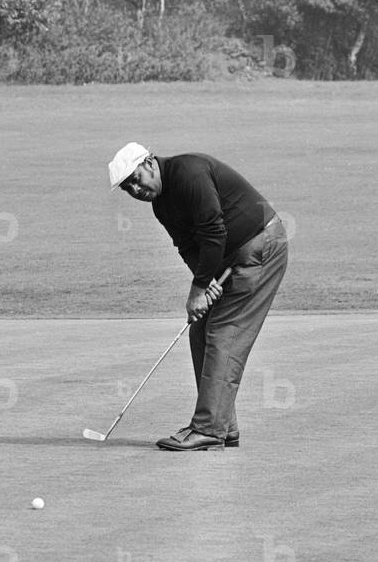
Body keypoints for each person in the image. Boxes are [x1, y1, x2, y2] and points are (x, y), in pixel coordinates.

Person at [108, 143, 288, 451]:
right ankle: (224, 426)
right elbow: (188, 246)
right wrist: (208, 283)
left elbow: (214, 231)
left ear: (150, 163)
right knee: (201, 331)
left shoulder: (189, 174)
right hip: (232, 258)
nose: (136, 189)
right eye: (128, 188)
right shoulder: (160, 204)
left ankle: (207, 429)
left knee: (223, 333)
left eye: (137, 179)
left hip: (260, 248)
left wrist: (200, 287)